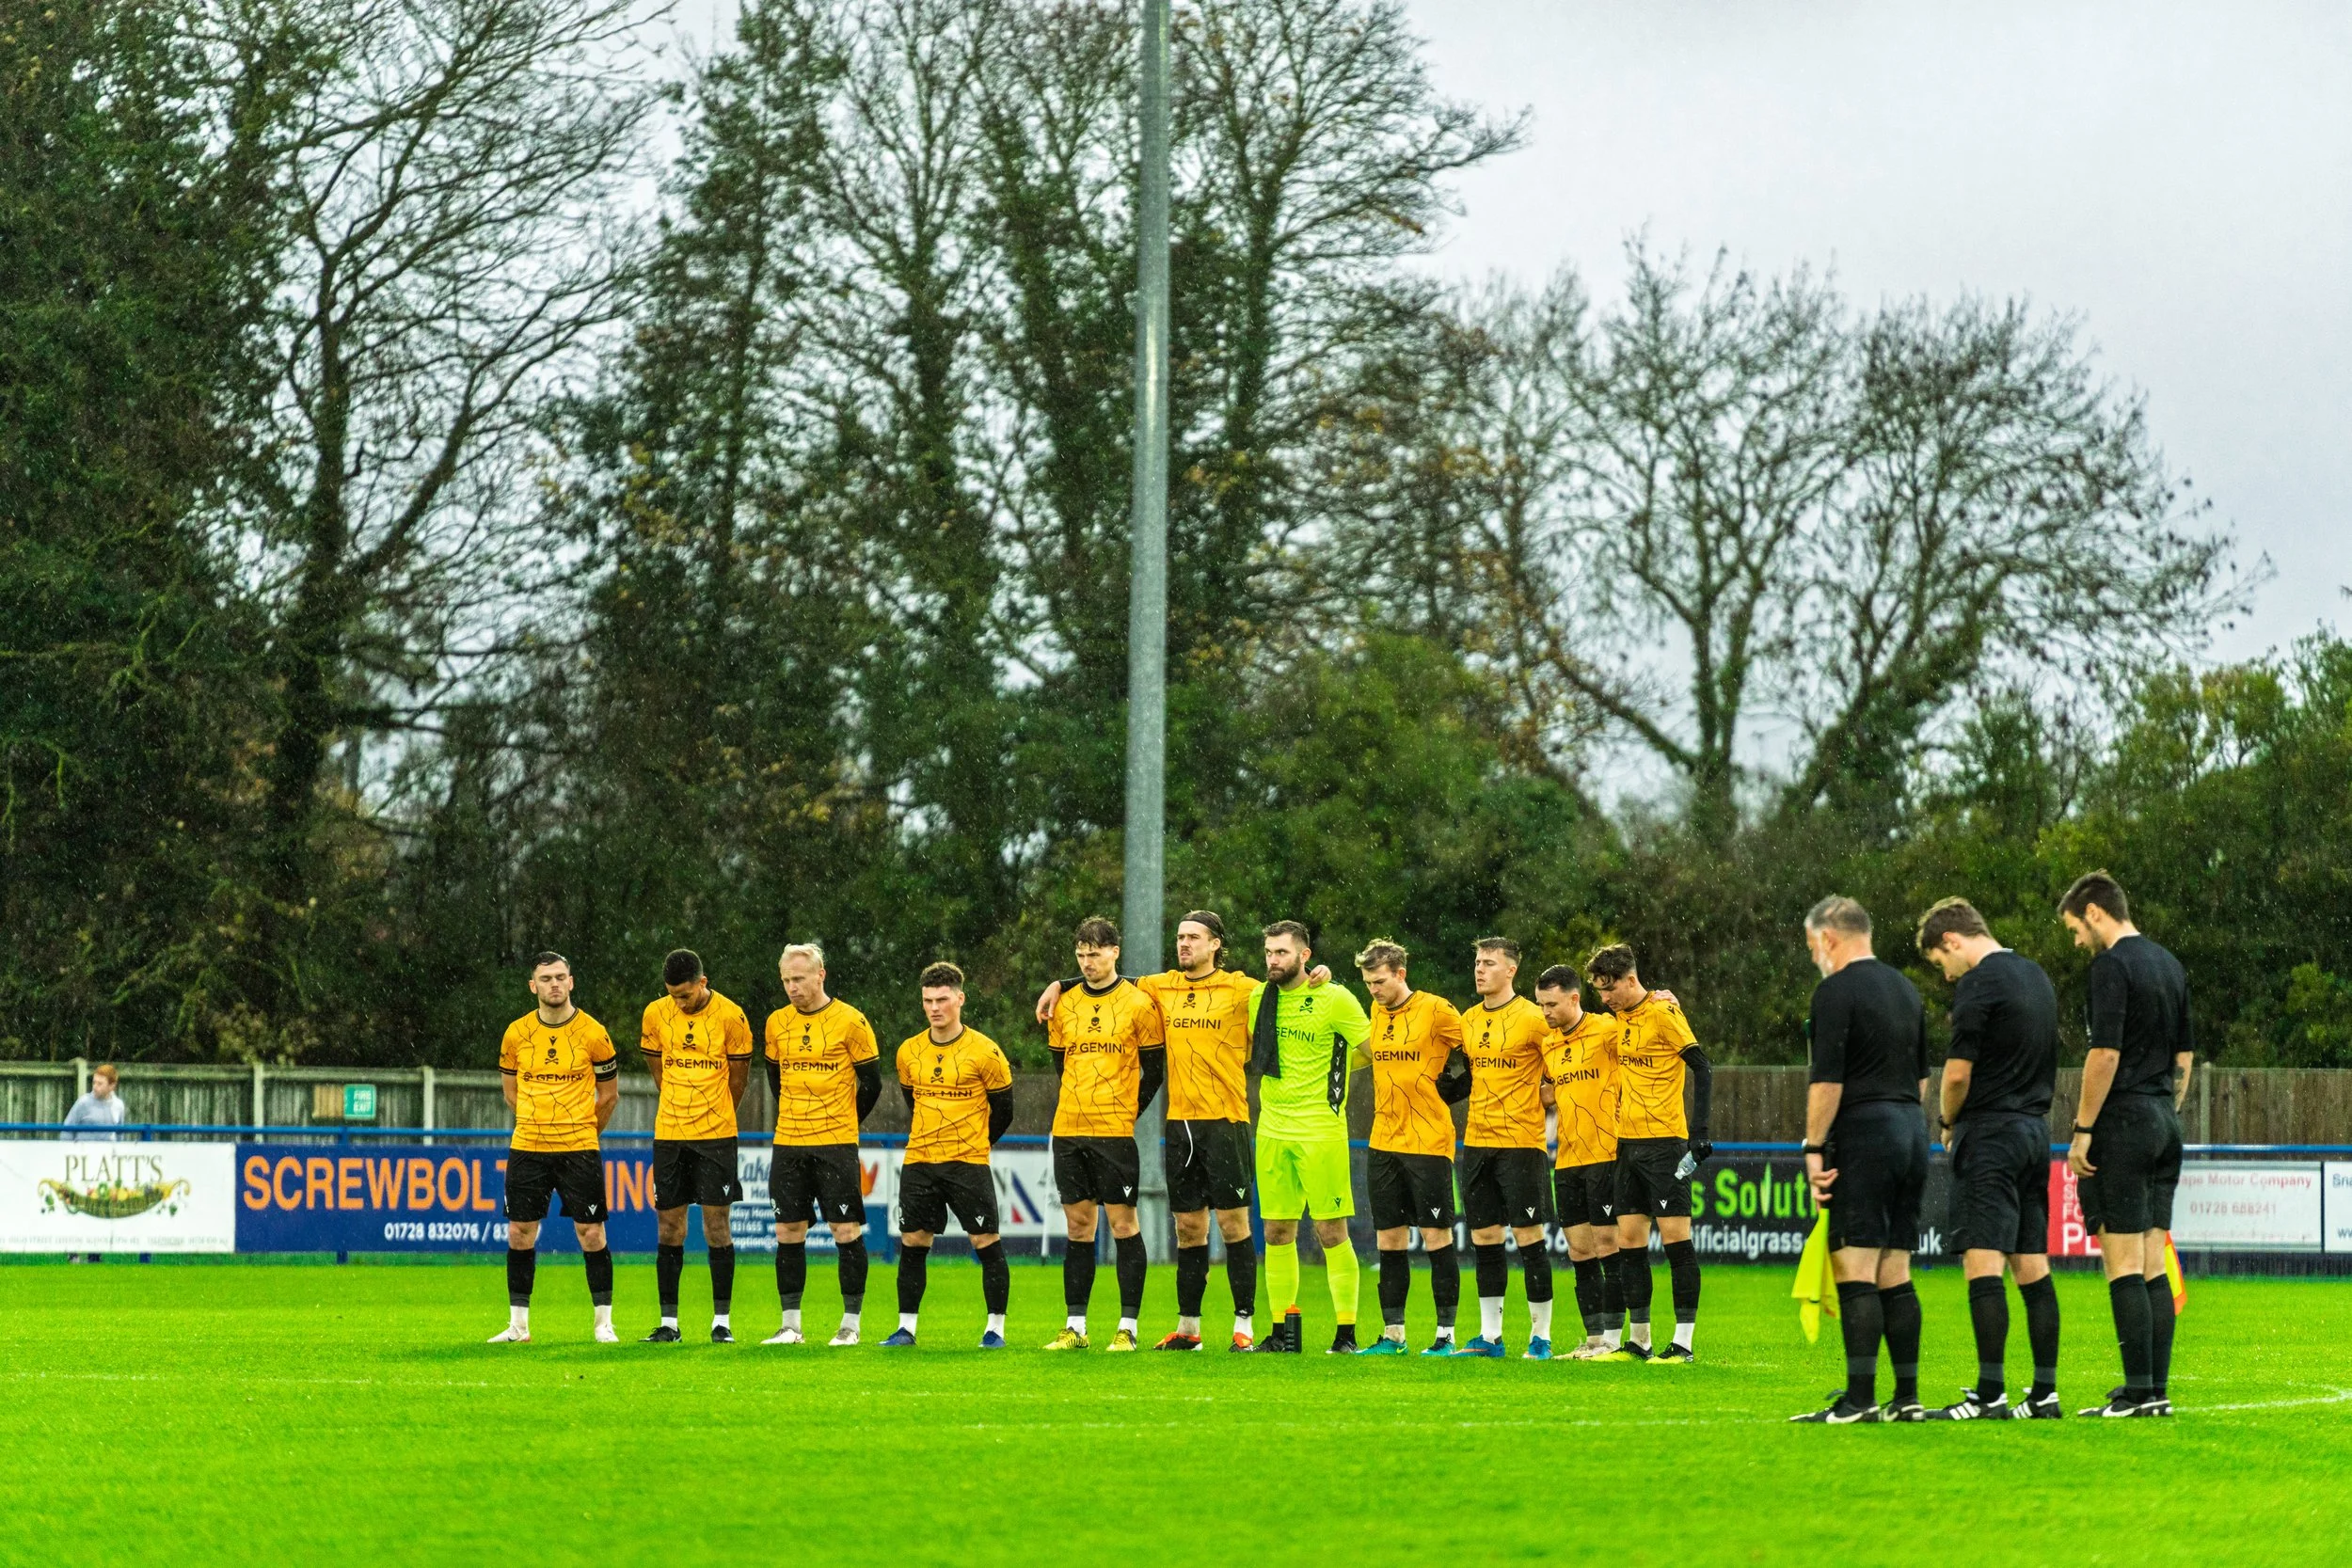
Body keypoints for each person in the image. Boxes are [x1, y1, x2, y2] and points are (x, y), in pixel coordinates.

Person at [1035, 911, 1262, 1351]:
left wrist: (1316, 976)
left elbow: (1283, 992)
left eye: (1194, 938)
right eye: (1180, 937)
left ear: (1216, 944)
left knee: (1234, 1225)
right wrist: (1059, 984)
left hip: (1227, 1120)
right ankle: (1189, 1330)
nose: (1184, 944)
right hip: (1180, 1124)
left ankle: (1244, 1326)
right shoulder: (1161, 986)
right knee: (1188, 1229)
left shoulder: (1241, 987)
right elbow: (1103, 978)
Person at [1918, 897, 2064, 1421]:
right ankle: (2044, 1394)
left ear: (1952, 940)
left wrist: (1947, 1123)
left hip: (1991, 1134)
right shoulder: (2036, 977)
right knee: (2032, 1265)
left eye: (1941, 963)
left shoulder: (1979, 982)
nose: (1946, 973)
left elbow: (1957, 1075)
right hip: (2034, 1133)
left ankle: (1989, 1395)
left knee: (1982, 1263)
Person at [1788, 898, 1930, 1424]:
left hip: (1865, 1132)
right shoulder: (1905, 988)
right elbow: (1921, 1079)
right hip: (1911, 1130)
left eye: (1811, 948)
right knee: (1895, 1267)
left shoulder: (1834, 991)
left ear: (1828, 938)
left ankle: (1860, 1400)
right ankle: (1907, 1397)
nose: (1813, 959)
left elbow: (1828, 1082)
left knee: (1855, 1266)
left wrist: (1813, 1147)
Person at [2062, 870, 2195, 1418]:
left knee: (2121, 1264)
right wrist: (2163, 1110)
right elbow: (2184, 1059)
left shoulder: (2111, 966)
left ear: (2095, 912)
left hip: (2123, 1122)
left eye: (2074, 928)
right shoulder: (2169, 964)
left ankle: (2137, 1393)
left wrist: (2083, 1129)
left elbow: (2105, 1055)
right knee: (2152, 1263)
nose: (2076, 941)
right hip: (2166, 1119)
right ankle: (2154, 1391)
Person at [1246, 920, 1373, 1354]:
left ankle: (1346, 1335)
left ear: (1305, 956)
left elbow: (1373, 1050)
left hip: (1320, 1130)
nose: (1272, 961)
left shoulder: (1333, 997)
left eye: (1281, 953)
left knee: (1330, 1231)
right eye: (1268, 952)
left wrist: (1335, 1070)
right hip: (1271, 1129)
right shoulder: (1257, 999)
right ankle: (1282, 1333)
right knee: (1277, 1231)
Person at [1041, 917, 1167, 1352]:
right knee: (1078, 1226)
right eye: (1081, 953)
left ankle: (1127, 1327)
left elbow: (1155, 1069)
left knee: (1122, 1224)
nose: (1088, 961)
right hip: (1070, 1129)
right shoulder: (1065, 1003)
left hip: (1114, 1131)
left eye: (1095, 953)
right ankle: (1075, 1327)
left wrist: (1129, 1110)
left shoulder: (1139, 1003)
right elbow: (1062, 1065)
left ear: (1115, 952)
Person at [1588, 942, 1712, 1363]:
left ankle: (1683, 1344)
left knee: (1677, 1242)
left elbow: (1702, 1066)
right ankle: (1638, 1342)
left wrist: (1700, 1132)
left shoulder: (1663, 1013)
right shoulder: (1620, 1018)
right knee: (1630, 1244)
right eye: (1599, 992)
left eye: (1609, 989)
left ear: (1630, 980)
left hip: (1664, 1145)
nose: (1604, 999)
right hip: (1627, 1146)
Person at [882, 964, 1016, 1349]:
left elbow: (1004, 1109)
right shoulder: (909, 1051)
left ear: (960, 999)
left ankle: (995, 1329)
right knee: (913, 1242)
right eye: (928, 1001)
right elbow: (912, 1099)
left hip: (967, 1163)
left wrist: (979, 1143)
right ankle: (905, 1328)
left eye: (942, 1000)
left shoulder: (985, 1051)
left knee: (985, 1241)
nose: (935, 1008)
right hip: (920, 1161)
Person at [491, 952, 620, 1344]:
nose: (554, 985)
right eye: (545, 979)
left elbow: (609, 1095)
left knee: (591, 1233)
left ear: (571, 981)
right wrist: (537, 1122)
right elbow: (511, 1091)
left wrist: (580, 1129)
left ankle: (603, 1324)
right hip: (528, 1146)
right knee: (519, 1232)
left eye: (560, 977)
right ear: (533, 986)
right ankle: (518, 1327)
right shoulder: (515, 1034)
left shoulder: (594, 1033)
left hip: (579, 1147)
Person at [761, 942, 881, 1347]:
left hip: (836, 1144)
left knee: (844, 1229)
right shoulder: (776, 1023)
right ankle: (790, 1325)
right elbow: (775, 1080)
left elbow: (873, 1083)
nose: (792, 987)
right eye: (786, 980)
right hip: (789, 1142)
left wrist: (844, 1121)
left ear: (820, 975)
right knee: (787, 1229)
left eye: (799, 978)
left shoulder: (851, 1021)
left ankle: (850, 1325)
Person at [1356, 939, 1470, 1355]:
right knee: (1389, 1240)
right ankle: (1394, 1335)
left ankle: (1445, 1336)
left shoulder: (1437, 1010)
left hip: (1428, 1142)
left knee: (1437, 1237)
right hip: (1383, 1140)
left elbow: (1476, 1047)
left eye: (1380, 981)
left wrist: (1459, 1087)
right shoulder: (1375, 1011)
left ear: (1401, 974)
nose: (1374, 990)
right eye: (1368, 983)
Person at [640, 949, 754, 1343]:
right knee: (669, 1226)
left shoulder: (732, 1016)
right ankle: (669, 1323)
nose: (679, 1003)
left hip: (716, 1135)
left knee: (716, 1225)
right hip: (669, 1134)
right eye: (673, 996)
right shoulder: (655, 1014)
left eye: (685, 995)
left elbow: (738, 1079)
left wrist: (716, 1112)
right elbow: (658, 1068)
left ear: (703, 983)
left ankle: (721, 1321)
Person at [1453, 938, 1557, 1359]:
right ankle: (1490, 1337)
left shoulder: (1534, 1019)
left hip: (1521, 1145)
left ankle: (1541, 1337)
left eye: (1489, 963)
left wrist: (1547, 1096)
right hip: (1477, 1142)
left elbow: (1560, 1068)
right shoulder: (1468, 1020)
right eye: (1477, 962)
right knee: (1484, 1238)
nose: (1480, 970)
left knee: (1530, 1239)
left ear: (1510, 971)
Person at [1535, 966, 1624, 1360]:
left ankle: (1617, 1340)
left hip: (1606, 1153)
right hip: (1567, 1157)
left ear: (1574, 998)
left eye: (1552, 1004)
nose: (1546, 1012)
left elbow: (1644, 1033)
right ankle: (1592, 1339)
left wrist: (1661, 998)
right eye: (1541, 1005)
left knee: (1609, 1244)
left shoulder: (1607, 1030)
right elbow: (1548, 1089)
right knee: (1579, 1249)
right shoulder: (1549, 1045)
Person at [63, 1064, 127, 1142]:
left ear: (112, 1086)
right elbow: (67, 1130)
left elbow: (119, 1134)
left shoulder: (119, 1105)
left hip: (107, 1153)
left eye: (100, 1084)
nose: (95, 1087)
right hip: (84, 1153)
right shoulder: (83, 1102)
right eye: (94, 1082)